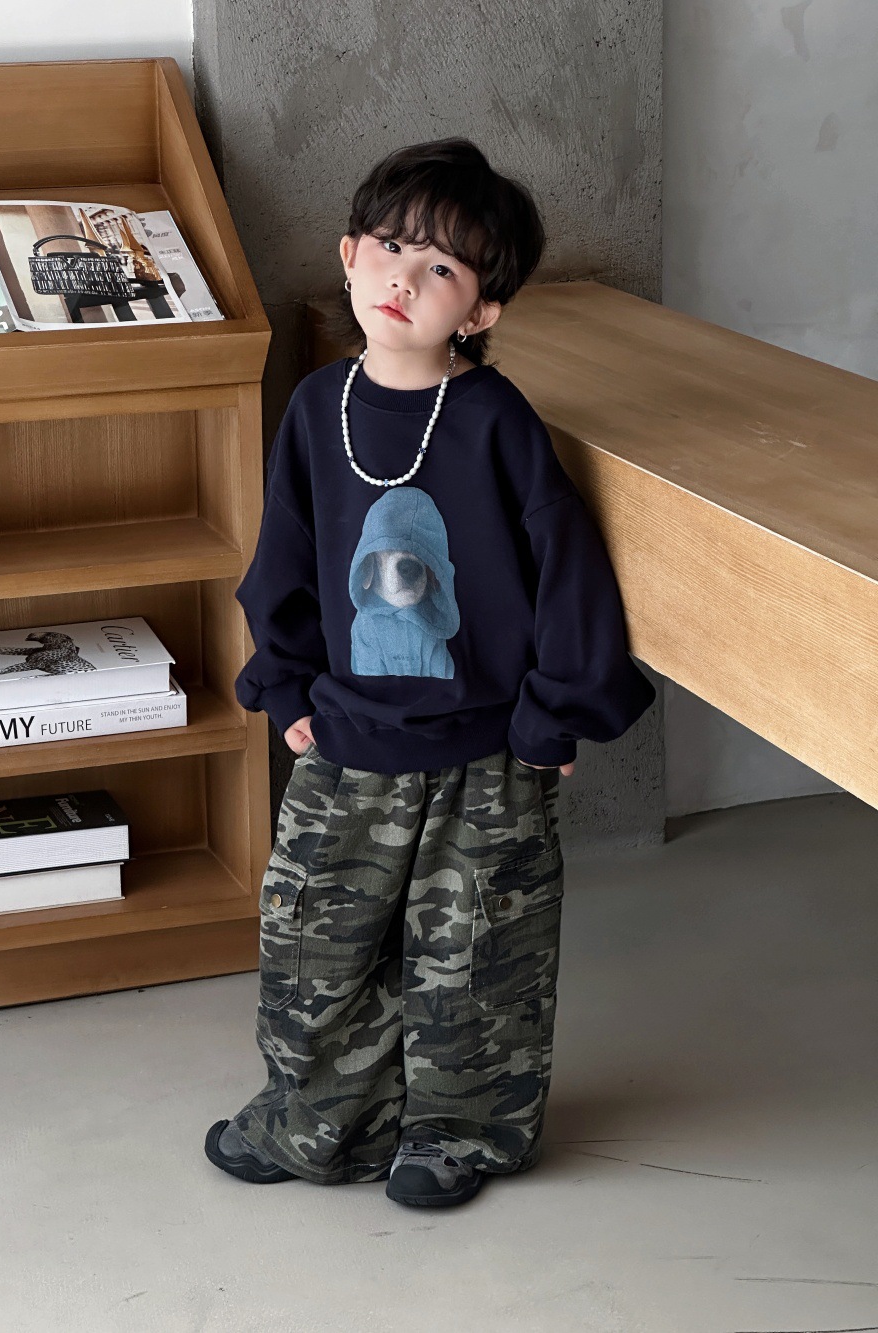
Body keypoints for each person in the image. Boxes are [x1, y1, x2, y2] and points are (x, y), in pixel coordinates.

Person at [204, 138, 656, 1208]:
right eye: (391, 248)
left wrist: (552, 717)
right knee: (312, 941)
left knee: (478, 958)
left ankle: (458, 1135)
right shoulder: (318, 407)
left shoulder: (497, 422)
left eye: (442, 266)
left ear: (481, 308)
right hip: (346, 738)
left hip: (486, 752)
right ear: (349, 256)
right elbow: (284, 558)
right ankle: (320, 1121)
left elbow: (569, 573)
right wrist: (285, 685)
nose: (405, 279)